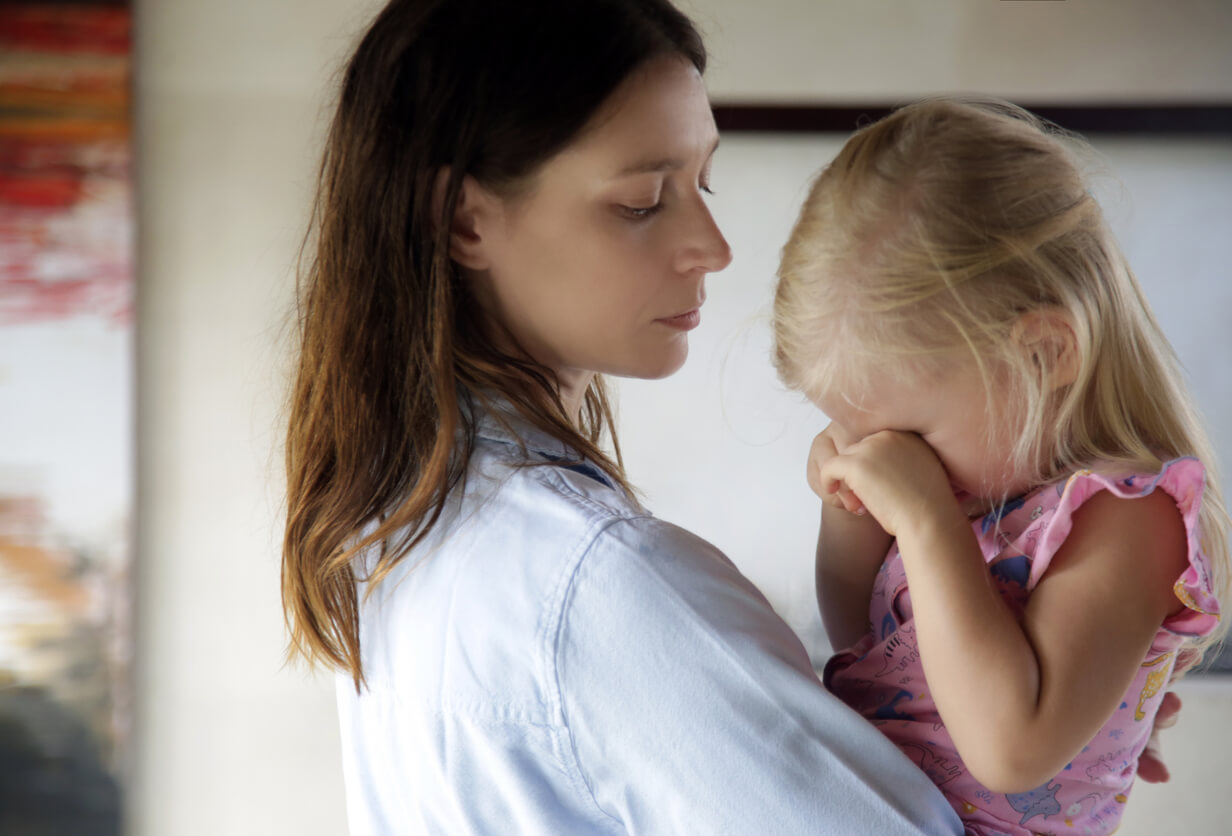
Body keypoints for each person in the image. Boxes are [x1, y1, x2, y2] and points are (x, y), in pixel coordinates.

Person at [279, 0, 968, 833]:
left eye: (702, 182)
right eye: (643, 200)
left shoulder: (395, 529)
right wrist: (1052, 770)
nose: (712, 245)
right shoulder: (601, 580)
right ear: (465, 219)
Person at [771, 96, 1232, 836]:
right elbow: (857, 632)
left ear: (1045, 354)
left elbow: (1011, 752)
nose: (882, 451)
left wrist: (925, 524)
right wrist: (848, 505)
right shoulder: (975, 487)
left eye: (904, 429)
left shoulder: (1126, 516)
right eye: (858, 429)